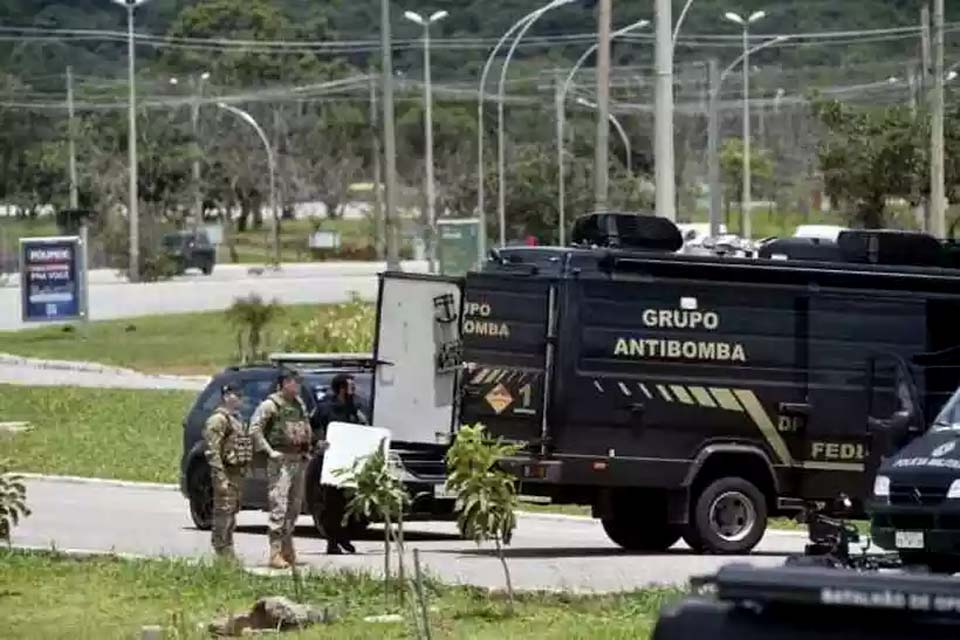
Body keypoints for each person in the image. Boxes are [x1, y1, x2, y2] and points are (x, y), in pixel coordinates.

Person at [250, 368, 325, 569]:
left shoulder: (299, 405)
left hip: (299, 459)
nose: (298, 386)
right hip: (280, 460)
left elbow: (304, 429)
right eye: (294, 382)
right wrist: (269, 451)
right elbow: (255, 429)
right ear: (284, 383)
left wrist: (314, 445)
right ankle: (274, 552)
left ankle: (287, 549)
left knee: (294, 507)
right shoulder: (270, 405)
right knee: (279, 505)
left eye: (298, 382)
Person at [318, 373, 366, 555]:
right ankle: (332, 541)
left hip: (351, 462)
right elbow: (314, 427)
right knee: (332, 504)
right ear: (341, 388)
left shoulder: (355, 407)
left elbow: (363, 426)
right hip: (331, 462)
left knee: (350, 504)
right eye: (350, 386)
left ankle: (344, 537)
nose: (353, 390)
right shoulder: (326, 408)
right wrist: (319, 442)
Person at [203, 383, 252, 562]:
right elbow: (212, 450)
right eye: (235, 394)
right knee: (223, 512)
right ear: (226, 396)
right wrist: (219, 476)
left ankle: (228, 549)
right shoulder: (218, 420)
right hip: (225, 473)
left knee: (231, 512)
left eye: (240, 394)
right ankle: (220, 548)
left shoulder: (236, 419)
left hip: (236, 473)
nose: (239, 398)